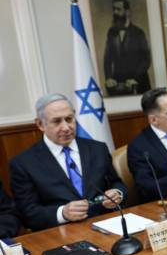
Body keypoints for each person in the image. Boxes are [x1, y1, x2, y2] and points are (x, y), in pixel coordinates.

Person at [10, 94, 127, 231]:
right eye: (57, 121)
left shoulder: (98, 149)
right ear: (40, 124)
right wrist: (63, 213)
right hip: (60, 233)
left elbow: (116, 182)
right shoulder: (23, 163)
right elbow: (28, 214)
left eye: (69, 119)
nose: (66, 127)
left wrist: (118, 193)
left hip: (106, 225)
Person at [103, 0, 152, 96]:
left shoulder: (139, 33)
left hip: (139, 84)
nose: (115, 12)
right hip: (119, 85)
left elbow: (146, 60)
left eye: (119, 9)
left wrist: (135, 78)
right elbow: (107, 57)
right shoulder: (111, 32)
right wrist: (108, 78)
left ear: (127, 11)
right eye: (114, 9)